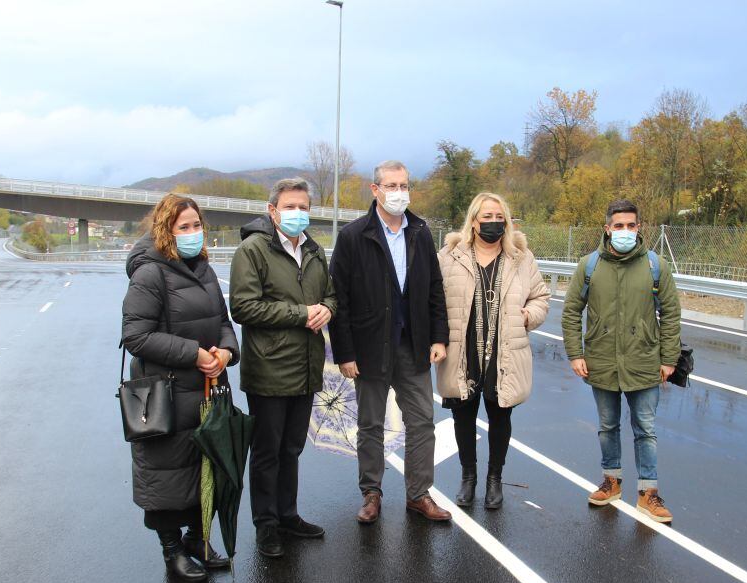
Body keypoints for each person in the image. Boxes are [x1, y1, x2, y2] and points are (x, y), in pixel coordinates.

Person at [122, 194, 240, 580]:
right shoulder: (149, 273)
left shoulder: (203, 268)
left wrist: (225, 351)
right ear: (165, 230)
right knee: (168, 473)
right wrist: (193, 354)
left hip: (207, 389)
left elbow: (223, 321)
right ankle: (172, 550)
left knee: (205, 469)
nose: (192, 233)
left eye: (196, 225)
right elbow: (136, 336)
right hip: (168, 394)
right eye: (183, 227)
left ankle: (198, 540)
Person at [329, 160, 451, 524]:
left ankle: (418, 494)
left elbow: (434, 289)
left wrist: (439, 337)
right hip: (369, 348)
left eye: (404, 185)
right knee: (370, 424)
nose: (399, 192)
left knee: (422, 421)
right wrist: (345, 352)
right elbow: (340, 298)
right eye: (392, 185)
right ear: (375, 189)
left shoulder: (420, 232)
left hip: (412, 345)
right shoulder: (353, 236)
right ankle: (371, 493)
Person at [230, 178, 338, 559]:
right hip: (269, 369)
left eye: (304, 206)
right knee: (267, 451)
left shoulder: (313, 249)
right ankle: (266, 525)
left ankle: (288, 515)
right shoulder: (253, 250)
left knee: (291, 448)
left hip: (307, 367)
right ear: (272, 210)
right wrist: (300, 313)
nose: (298, 213)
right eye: (290, 206)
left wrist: (327, 308)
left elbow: (329, 294)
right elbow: (243, 307)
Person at [561, 199, 681, 523]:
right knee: (607, 427)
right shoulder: (589, 266)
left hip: (644, 360)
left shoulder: (656, 266)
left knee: (646, 429)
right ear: (607, 228)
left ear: (639, 228)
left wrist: (669, 359)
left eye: (631, 225)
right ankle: (610, 482)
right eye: (619, 226)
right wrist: (575, 353)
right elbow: (572, 310)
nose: (625, 231)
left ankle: (648, 493)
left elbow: (670, 313)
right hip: (601, 361)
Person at [436, 192, 550, 509]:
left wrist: (528, 316)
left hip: (506, 351)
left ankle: (494, 479)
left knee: (501, 416)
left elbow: (541, 297)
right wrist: (435, 338)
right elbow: (433, 300)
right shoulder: (450, 256)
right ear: (474, 221)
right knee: (463, 416)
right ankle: (468, 476)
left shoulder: (521, 257)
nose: (494, 223)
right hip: (462, 350)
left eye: (499, 217)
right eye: (487, 217)